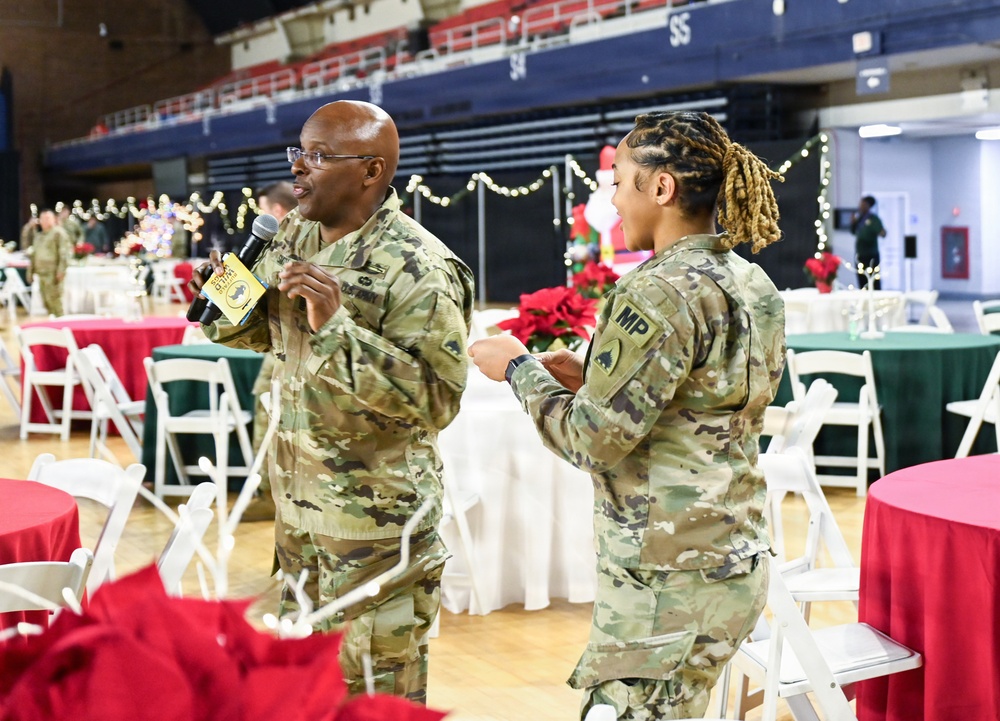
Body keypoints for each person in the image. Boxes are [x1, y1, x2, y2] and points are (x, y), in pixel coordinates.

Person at [468, 111, 786, 720]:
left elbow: (591, 441)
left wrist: (517, 368)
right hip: (731, 559)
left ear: (661, 188)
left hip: (665, 581)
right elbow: (704, 401)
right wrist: (591, 376)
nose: (612, 201)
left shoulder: (656, 290)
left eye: (620, 181)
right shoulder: (751, 281)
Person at [189, 100, 474, 704]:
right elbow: (267, 332)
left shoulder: (418, 266)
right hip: (301, 518)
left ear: (371, 171)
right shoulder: (293, 232)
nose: (298, 169)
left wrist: (336, 326)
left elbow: (438, 399)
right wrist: (223, 299)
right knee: (309, 696)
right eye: (298, 153)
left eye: (317, 157)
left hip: (375, 536)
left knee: (372, 700)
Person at [242, 180, 298, 523]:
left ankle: (269, 493)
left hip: (288, 350)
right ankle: (268, 490)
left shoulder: (293, 245)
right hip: (279, 346)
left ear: (277, 211)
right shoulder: (274, 244)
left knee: (269, 412)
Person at [30, 209, 73, 316]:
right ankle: (52, 325)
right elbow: (34, 255)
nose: (45, 221)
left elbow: (64, 253)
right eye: (43, 219)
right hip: (41, 273)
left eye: (48, 218)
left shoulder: (58, 233)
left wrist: (61, 270)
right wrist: (30, 272)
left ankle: (61, 326)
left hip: (53, 274)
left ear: (54, 219)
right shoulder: (39, 236)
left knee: (55, 301)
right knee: (46, 302)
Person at [850, 195, 886, 290]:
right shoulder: (859, 218)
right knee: (862, 283)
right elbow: (853, 232)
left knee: (874, 282)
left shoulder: (874, 219)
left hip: (871, 256)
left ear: (868, 205)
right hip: (860, 255)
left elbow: (882, 233)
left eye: (862, 204)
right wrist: (853, 223)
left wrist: (878, 230)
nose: (860, 206)